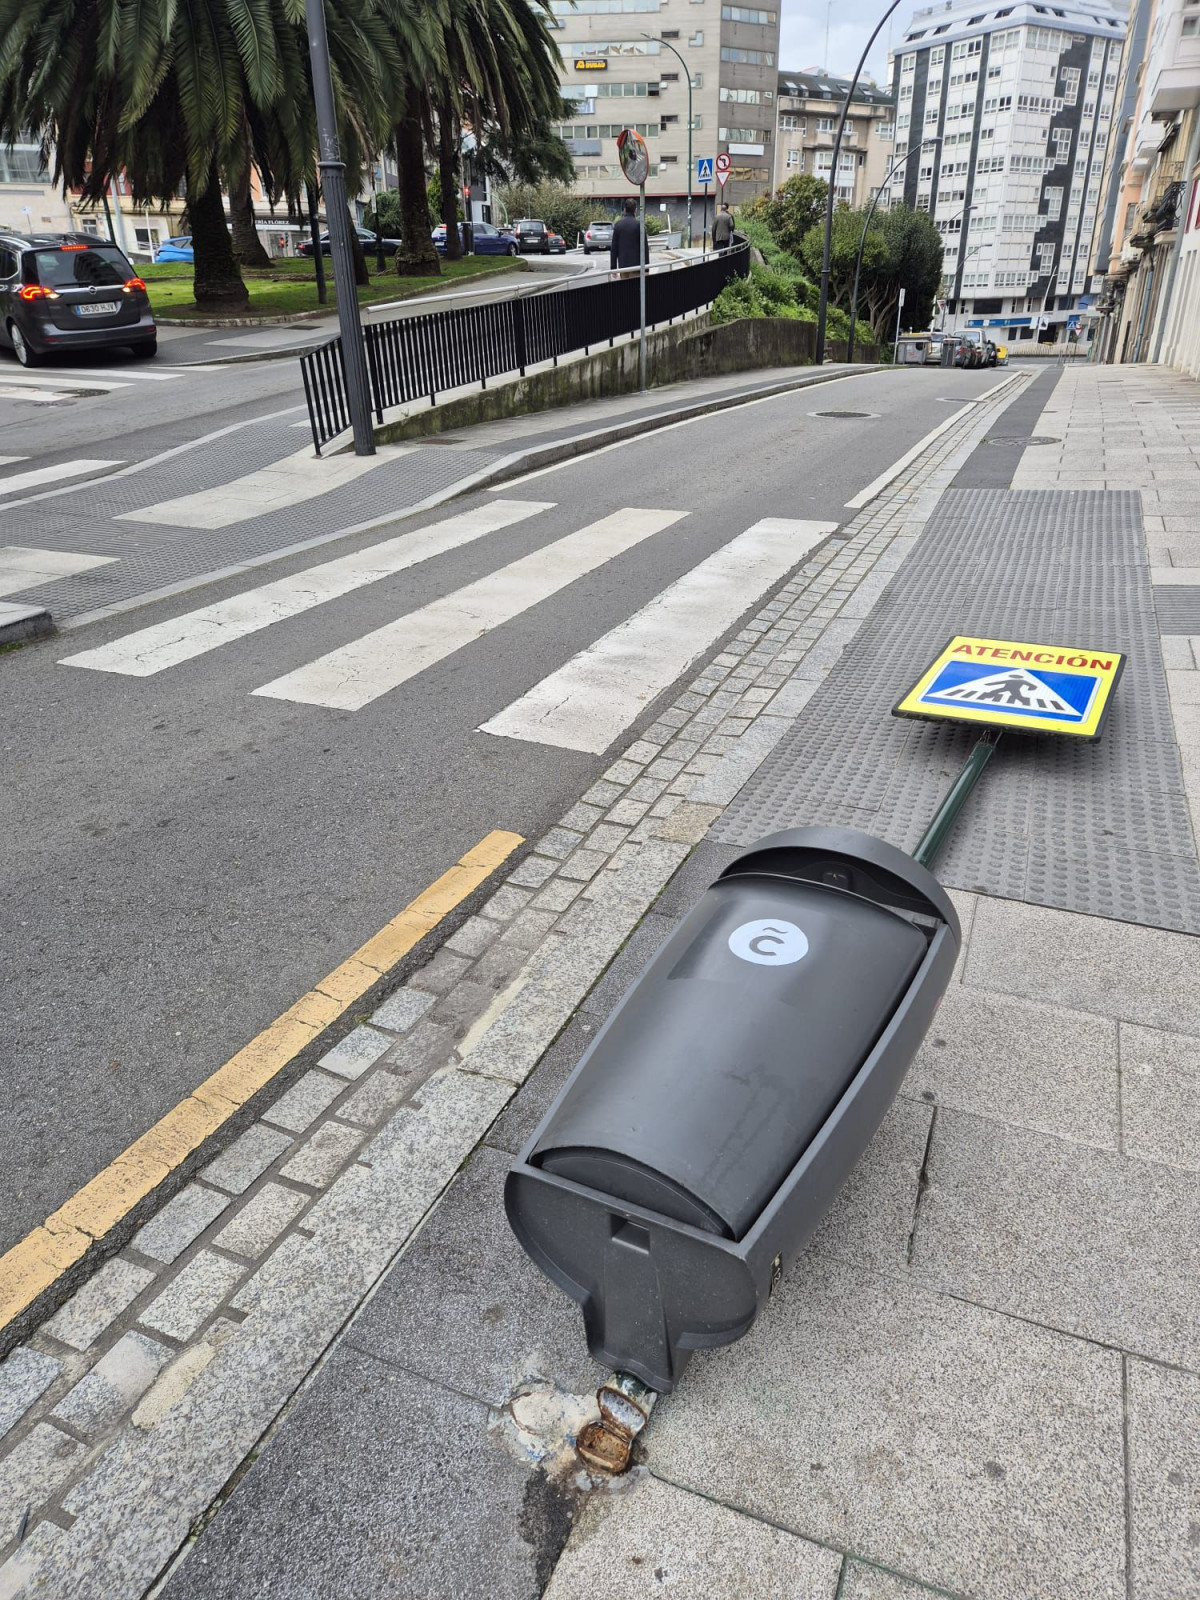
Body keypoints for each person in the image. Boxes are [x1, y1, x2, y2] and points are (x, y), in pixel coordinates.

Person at [610, 197, 649, 274]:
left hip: (623, 267)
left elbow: (614, 248)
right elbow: (645, 248)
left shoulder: (618, 225)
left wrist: (613, 268)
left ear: (624, 209)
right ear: (635, 210)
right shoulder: (639, 226)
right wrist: (646, 268)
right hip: (637, 267)